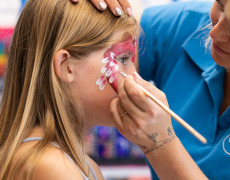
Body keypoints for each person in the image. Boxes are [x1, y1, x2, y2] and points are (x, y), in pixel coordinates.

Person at [84, 0, 230, 179]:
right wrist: (78, 14)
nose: (214, 32)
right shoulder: (184, 24)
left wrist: (161, 144)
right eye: (220, 4)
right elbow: (85, 59)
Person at [0, 0, 208, 179]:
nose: (135, 78)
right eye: (122, 59)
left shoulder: (81, 164)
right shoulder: (52, 166)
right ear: (66, 66)